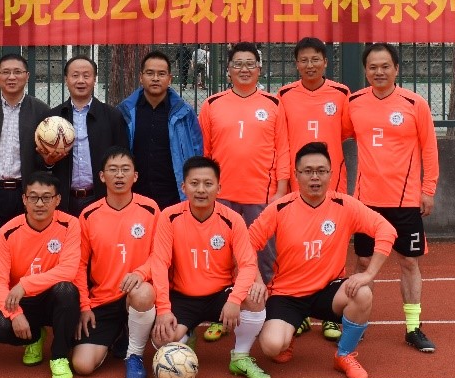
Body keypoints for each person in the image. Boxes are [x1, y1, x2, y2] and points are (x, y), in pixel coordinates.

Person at [248, 143, 397, 378]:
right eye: (307, 171)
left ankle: (344, 355)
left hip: (329, 289)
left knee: (363, 293)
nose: (315, 177)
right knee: (272, 347)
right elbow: (247, 243)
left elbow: (386, 230)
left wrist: (369, 274)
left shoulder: (344, 205)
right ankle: (288, 334)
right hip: (287, 294)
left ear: (330, 174)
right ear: (296, 175)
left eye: (321, 171)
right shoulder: (280, 207)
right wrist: (257, 280)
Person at [347, 42, 440, 353]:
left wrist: (428, 189)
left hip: (405, 201)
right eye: (373, 67)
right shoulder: (354, 103)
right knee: (363, 262)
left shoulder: (415, 104)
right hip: (366, 202)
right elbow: (337, 136)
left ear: (396, 69)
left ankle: (413, 327)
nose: (379, 72)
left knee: (409, 262)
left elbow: (429, 148)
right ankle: (358, 323)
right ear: (365, 71)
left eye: (385, 66)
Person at [148, 156, 271, 378]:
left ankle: (240, 356)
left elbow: (247, 264)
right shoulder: (169, 216)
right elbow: (160, 263)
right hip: (183, 297)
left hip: (220, 295)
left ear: (219, 188)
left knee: (255, 298)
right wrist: (163, 309)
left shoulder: (233, 219)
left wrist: (234, 299)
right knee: (161, 341)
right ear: (183, 187)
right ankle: (187, 334)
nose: (201, 190)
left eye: (208, 183)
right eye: (194, 184)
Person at [198, 41, 289, 339]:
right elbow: (205, 152)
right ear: (228, 70)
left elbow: (283, 150)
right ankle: (222, 312)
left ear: (259, 69)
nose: (244, 69)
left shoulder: (274, 104)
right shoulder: (212, 104)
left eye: (250, 64)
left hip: (261, 195)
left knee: (264, 257)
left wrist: (281, 190)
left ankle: (270, 312)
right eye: (238, 64)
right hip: (222, 196)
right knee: (222, 256)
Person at [276, 36, 355, 340]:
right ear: (296, 64)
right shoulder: (284, 95)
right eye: (303, 60)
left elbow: (345, 132)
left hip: (332, 182)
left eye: (315, 59)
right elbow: (281, 140)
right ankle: (299, 310)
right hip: (296, 184)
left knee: (332, 242)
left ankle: (331, 314)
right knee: (293, 244)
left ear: (325, 62)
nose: (309, 65)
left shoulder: (341, 93)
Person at [72, 147, 160, 378]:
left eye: (125, 170)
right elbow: (79, 265)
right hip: (103, 299)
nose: (119, 175)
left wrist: (140, 273)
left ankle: (134, 355)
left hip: (137, 297)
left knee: (143, 293)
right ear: (102, 176)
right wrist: (84, 305)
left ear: (135, 176)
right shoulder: (88, 215)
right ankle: (119, 333)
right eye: (113, 170)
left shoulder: (151, 209)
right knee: (82, 365)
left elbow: (160, 256)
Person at [0, 172, 83, 378]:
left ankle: (59, 356)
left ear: (57, 200)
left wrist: (25, 284)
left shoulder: (71, 225)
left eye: (46, 197)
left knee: (66, 290)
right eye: (33, 197)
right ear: (24, 199)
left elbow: (68, 270)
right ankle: (35, 337)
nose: (39, 204)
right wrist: (14, 315)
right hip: (22, 302)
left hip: (52, 298)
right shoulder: (8, 231)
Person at [0, 52, 53, 235]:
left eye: (17, 72)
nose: (11, 77)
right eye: (5, 72)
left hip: (27, 191)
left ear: (27, 76)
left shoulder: (41, 111)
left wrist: (47, 161)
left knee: (25, 241)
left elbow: (44, 154)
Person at [118, 50, 204, 211]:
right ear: (141, 77)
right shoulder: (125, 112)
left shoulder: (184, 113)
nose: (155, 78)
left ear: (170, 78)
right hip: (134, 196)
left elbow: (196, 152)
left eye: (161, 74)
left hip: (174, 196)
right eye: (150, 73)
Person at [49, 56, 130, 215]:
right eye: (75, 75)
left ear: (94, 79)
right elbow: (40, 161)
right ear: (66, 79)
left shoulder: (112, 116)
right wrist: (48, 161)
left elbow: (123, 156)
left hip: (101, 198)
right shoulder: (53, 118)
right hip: (64, 200)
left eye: (86, 76)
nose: (81, 81)